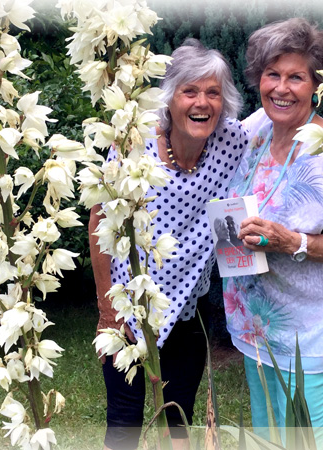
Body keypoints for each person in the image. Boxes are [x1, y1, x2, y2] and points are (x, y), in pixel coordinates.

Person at [89, 39, 248, 450]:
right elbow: (99, 219)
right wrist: (108, 312)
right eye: (190, 91)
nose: (203, 102)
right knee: (122, 423)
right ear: (170, 98)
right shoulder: (134, 143)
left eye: (213, 92)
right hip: (130, 308)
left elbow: (281, 115)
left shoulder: (232, 142)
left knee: (178, 423)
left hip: (188, 313)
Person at [222, 18, 323, 443]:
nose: (281, 88)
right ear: (258, 79)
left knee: (307, 439)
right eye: (272, 74)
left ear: (315, 86)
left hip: (308, 330)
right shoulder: (257, 129)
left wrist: (291, 242)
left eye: (296, 78)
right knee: (269, 434)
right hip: (257, 323)